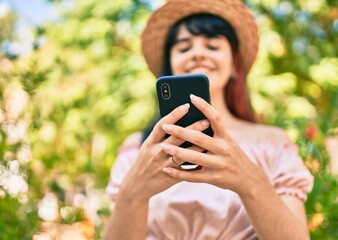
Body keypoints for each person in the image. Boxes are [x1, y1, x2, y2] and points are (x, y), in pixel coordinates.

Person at [104, 0, 314, 239]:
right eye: (183, 48)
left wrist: (251, 182)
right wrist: (132, 193)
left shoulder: (273, 143)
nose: (197, 53)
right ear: (170, 67)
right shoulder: (139, 148)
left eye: (212, 46)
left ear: (235, 66)